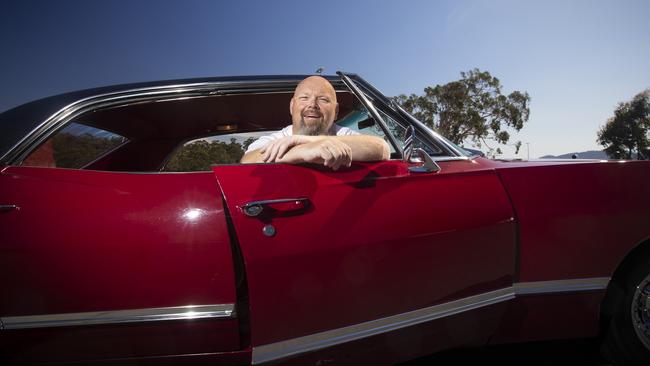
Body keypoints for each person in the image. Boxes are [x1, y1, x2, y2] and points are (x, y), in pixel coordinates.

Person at [240, 76, 390, 170]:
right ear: (292, 106)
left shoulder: (343, 134)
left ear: (336, 111)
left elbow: (381, 148)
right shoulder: (276, 138)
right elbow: (247, 161)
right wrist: (303, 152)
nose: (312, 105)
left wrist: (307, 141)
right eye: (304, 98)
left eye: (323, 99)